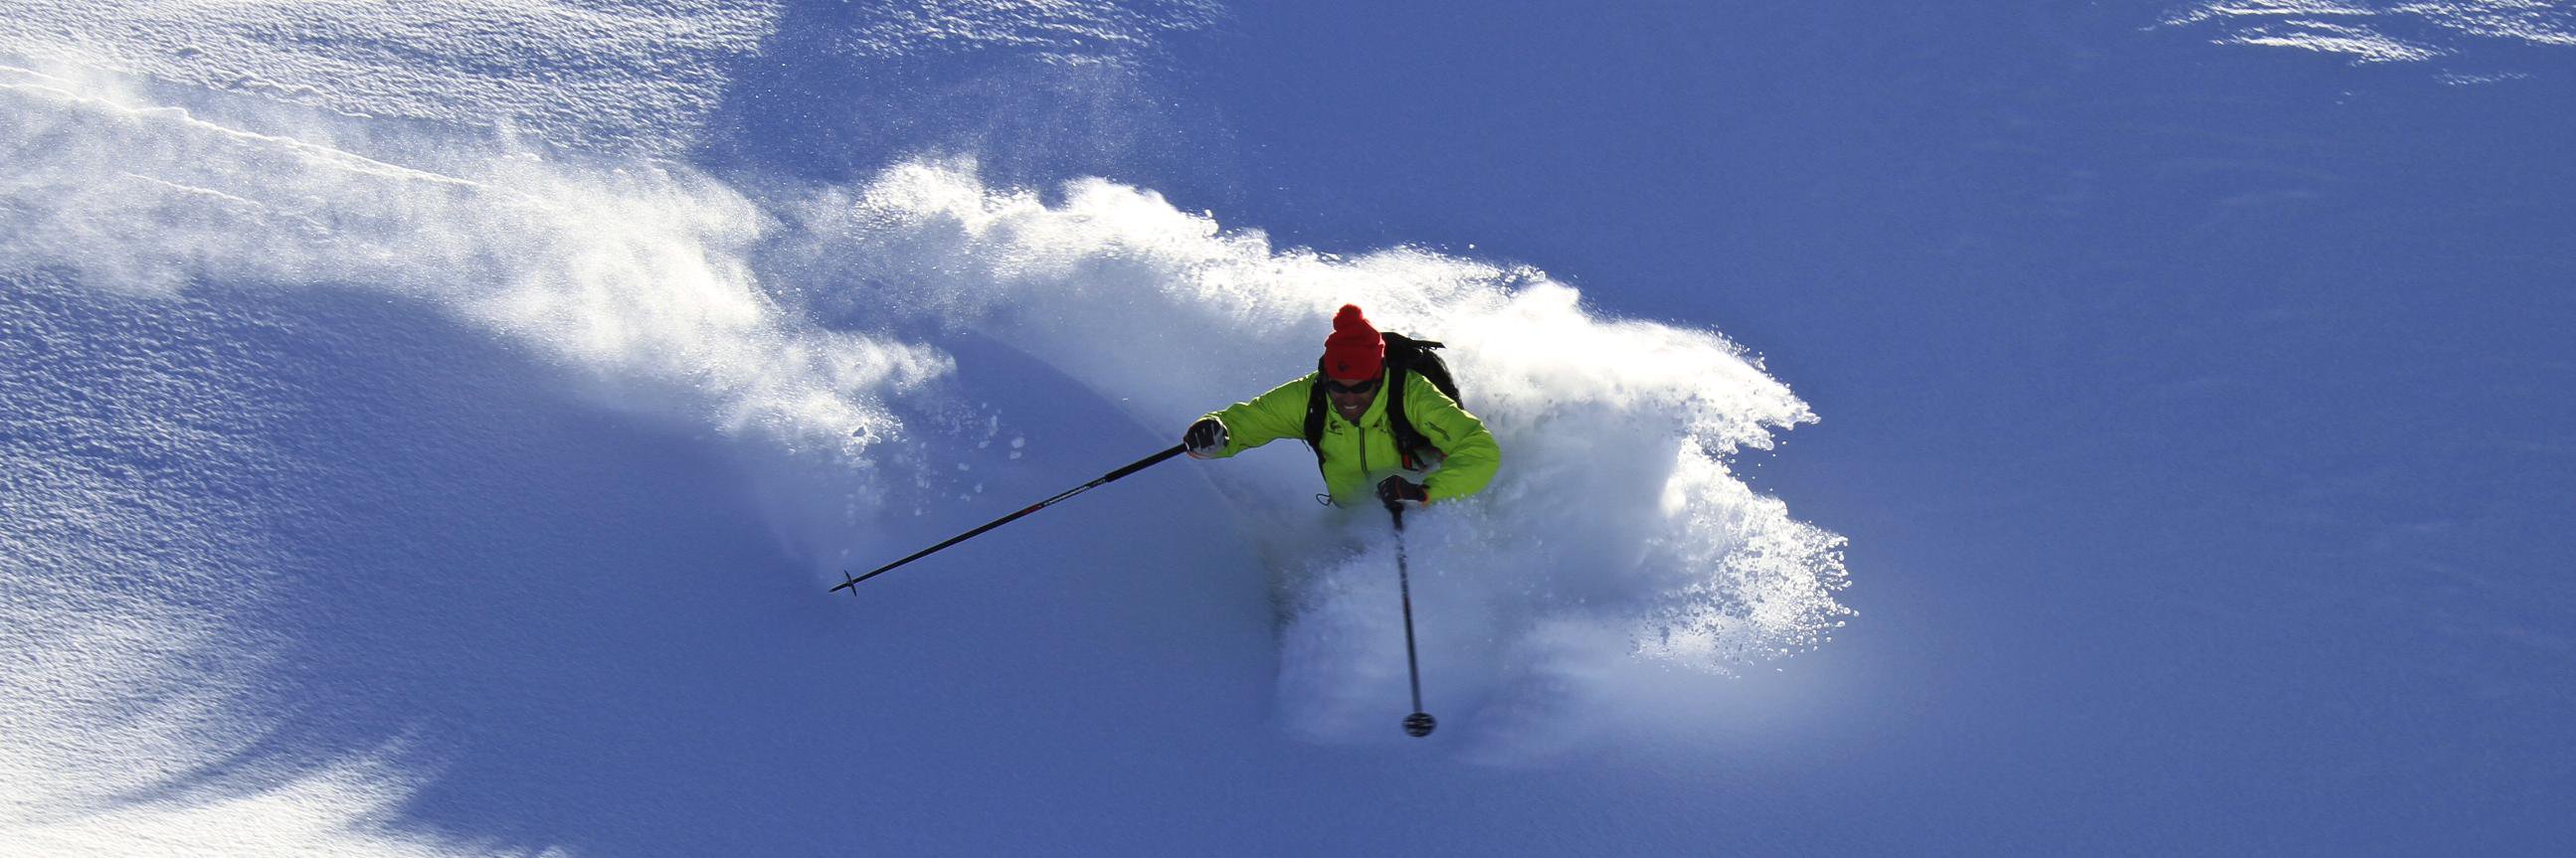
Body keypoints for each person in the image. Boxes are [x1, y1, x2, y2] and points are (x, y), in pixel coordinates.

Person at [1183, 304, 1500, 509]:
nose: (1348, 399)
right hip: (1354, 520)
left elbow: (1480, 449)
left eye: (1361, 388)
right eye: (1337, 387)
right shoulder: (1310, 398)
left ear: (1379, 377)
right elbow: (1243, 424)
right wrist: (1214, 430)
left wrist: (1423, 492)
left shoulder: (1412, 396)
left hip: (1425, 504)